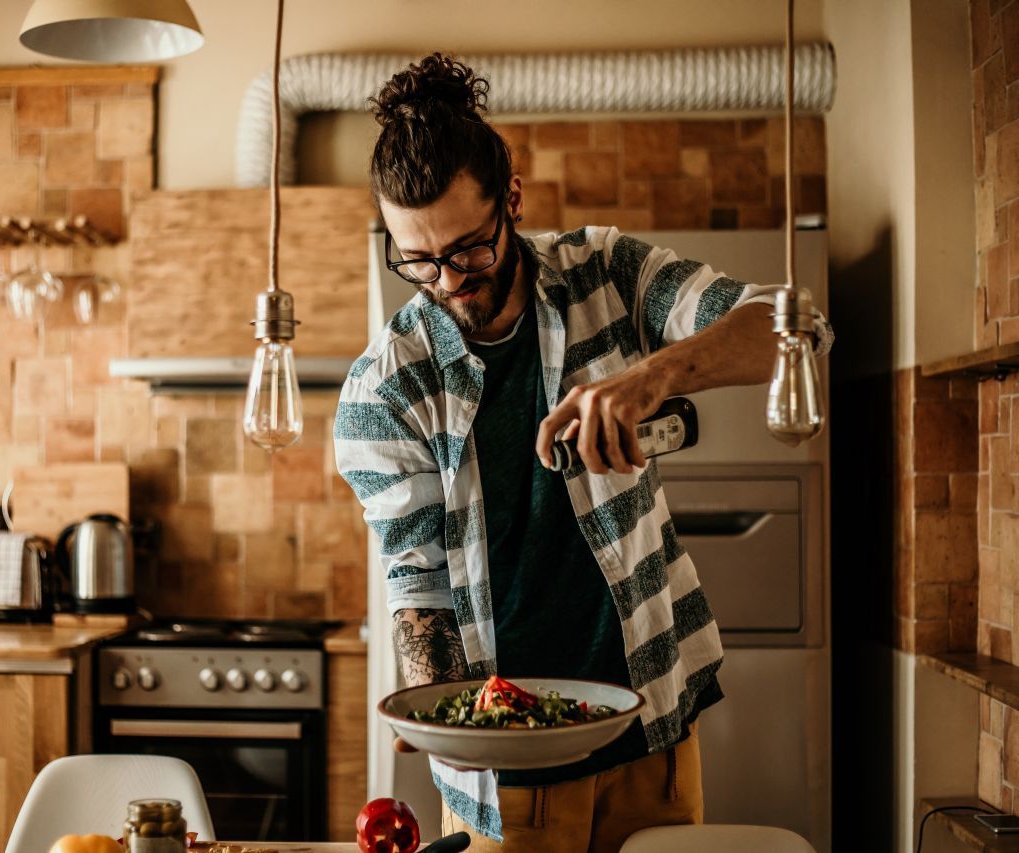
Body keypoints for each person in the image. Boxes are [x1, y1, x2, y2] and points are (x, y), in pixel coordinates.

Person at [333, 53, 832, 852]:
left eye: (470, 249)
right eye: (416, 261)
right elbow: (416, 582)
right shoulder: (383, 389)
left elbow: (793, 329)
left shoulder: (607, 272)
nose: (449, 281)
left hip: (651, 726)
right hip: (505, 768)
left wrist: (652, 376)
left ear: (514, 201)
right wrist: (441, 707)